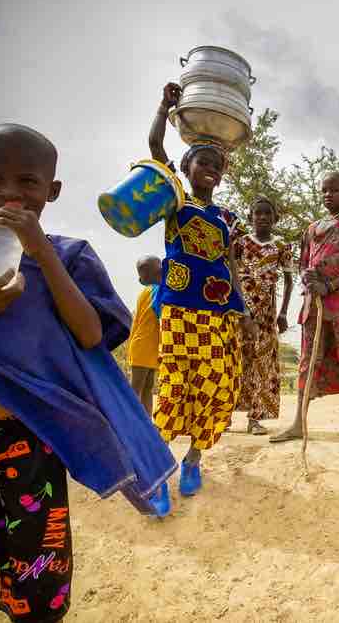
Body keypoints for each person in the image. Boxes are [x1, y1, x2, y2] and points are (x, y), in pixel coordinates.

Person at [0, 123, 174, 622]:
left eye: (28, 182)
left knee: (37, 594)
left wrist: (41, 252)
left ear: (52, 191)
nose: (9, 193)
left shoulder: (71, 256)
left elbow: (90, 334)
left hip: (32, 448)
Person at [147, 82, 257, 514]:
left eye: (217, 164)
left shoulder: (227, 217)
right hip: (178, 307)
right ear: (187, 167)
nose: (211, 168)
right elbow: (155, 145)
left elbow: (230, 264)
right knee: (175, 386)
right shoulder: (174, 198)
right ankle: (157, 475)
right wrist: (165, 106)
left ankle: (193, 459)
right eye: (202, 162)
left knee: (213, 387)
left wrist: (243, 307)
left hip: (218, 312)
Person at [269, 171, 339, 448]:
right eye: (324, 190)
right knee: (308, 361)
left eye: (335, 190)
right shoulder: (311, 228)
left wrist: (330, 285)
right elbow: (305, 262)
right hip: (314, 305)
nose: (328, 195)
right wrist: (308, 278)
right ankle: (298, 423)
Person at [233, 195, 294, 435]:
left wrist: (284, 312)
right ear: (250, 217)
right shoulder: (240, 243)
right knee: (236, 360)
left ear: (275, 218)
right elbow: (232, 274)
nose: (263, 217)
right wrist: (240, 308)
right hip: (240, 310)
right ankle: (224, 415)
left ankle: (255, 418)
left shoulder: (281, 246)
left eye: (268, 213)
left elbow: (289, 281)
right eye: (258, 213)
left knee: (263, 364)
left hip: (267, 315)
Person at [126, 255, 162, 415]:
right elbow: (161, 312)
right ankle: (129, 423)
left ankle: (146, 422)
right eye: (160, 267)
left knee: (147, 387)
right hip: (144, 345)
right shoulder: (155, 290)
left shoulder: (146, 291)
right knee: (136, 388)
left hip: (147, 346)